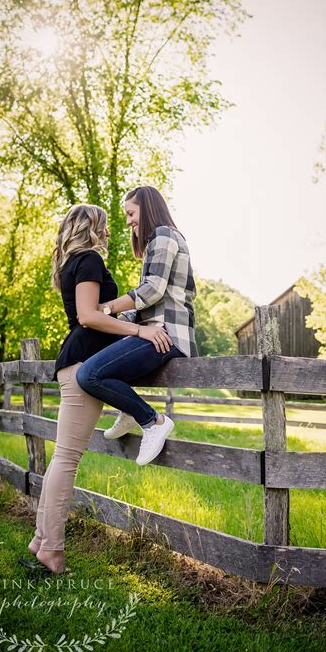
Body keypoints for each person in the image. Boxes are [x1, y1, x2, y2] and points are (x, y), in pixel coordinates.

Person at [27, 203, 172, 574]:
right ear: (92, 227)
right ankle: (52, 550)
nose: (109, 231)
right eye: (105, 225)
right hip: (80, 367)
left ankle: (41, 540)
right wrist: (140, 330)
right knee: (66, 460)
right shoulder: (89, 259)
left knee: (62, 457)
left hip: (74, 362)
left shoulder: (69, 262)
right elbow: (89, 316)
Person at [76, 184, 198, 468]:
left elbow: (152, 290)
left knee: (89, 375)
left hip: (167, 334)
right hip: (155, 331)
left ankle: (152, 420)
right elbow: (149, 305)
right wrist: (113, 320)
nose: (129, 221)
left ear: (147, 207)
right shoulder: (156, 242)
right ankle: (129, 411)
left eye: (131, 213)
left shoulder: (164, 236)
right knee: (98, 362)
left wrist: (105, 308)